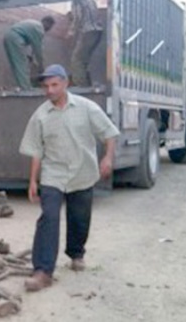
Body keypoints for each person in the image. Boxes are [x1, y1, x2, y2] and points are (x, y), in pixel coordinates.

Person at [18, 64, 119, 292]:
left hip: (83, 171)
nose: (50, 90)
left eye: (55, 85)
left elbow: (109, 133)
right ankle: (43, 271)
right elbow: (36, 150)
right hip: (53, 174)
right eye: (46, 86)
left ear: (66, 84)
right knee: (49, 217)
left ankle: (76, 253)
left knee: (79, 217)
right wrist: (33, 180)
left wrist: (108, 158)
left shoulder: (86, 108)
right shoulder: (41, 115)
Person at [3, 16, 55, 90]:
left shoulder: (34, 24)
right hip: (15, 37)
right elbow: (38, 50)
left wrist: (31, 57)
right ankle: (26, 88)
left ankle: (22, 86)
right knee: (21, 64)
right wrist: (41, 68)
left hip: (8, 36)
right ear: (46, 23)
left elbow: (34, 46)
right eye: (50, 26)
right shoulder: (39, 29)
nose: (49, 29)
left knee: (16, 64)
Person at [68, 0, 103, 86]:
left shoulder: (77, 0)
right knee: (84, 59)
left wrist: (71, 32)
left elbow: (77, 17)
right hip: (97, 31)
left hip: (88, 31)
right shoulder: (91, 0)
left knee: (76, 60)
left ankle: (81, 85)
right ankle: (87, 83)